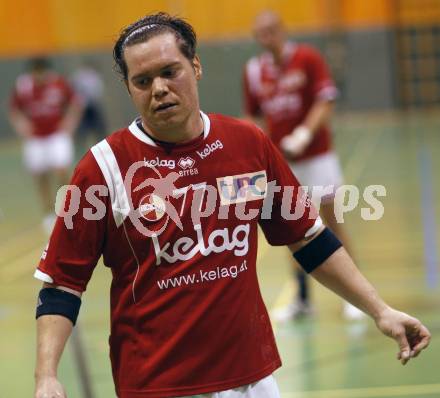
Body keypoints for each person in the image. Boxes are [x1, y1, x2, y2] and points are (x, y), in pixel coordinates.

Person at [34, 13, 430, 398]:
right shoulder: (102, 167)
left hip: (251, 379)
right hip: (159, 383)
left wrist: (379, 310)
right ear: (130, 90)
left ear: (196, 67)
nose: (158, 88)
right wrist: (46, 376)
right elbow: (62, 285)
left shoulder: (248, 145)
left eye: (170, 72)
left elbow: (310, 241)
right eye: (142, 80)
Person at [243, 10, 362, 320]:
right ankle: (302, 299)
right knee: (291, 229)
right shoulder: (255, 71)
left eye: (272, 30)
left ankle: (355, 297)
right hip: (283, 164)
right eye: (261, 33)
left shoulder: (307, 58)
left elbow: (325, 101)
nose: (267, 37)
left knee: (332, 224)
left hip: (318, 156)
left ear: (282, 29)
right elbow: (254, 116)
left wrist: (304, 134)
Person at [9, 56, 83, 232]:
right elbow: (14, 109)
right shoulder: (23, 86)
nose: (39, 76)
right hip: (35, 138)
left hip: (56, 135)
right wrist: (21, 125)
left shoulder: (58, 83)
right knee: (40, 177)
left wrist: (70, 122)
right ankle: (48, 213)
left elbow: (75, 103)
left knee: (62, 172)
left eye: (42, 72)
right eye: (36, 72)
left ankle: (67, 209)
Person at [71, 61, 107, 154]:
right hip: (84, 108)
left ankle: (101, 150)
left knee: (99, 131)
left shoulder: (89, 76)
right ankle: (82, 150)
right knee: (83, 133)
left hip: (92, 107)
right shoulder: (81, 76)